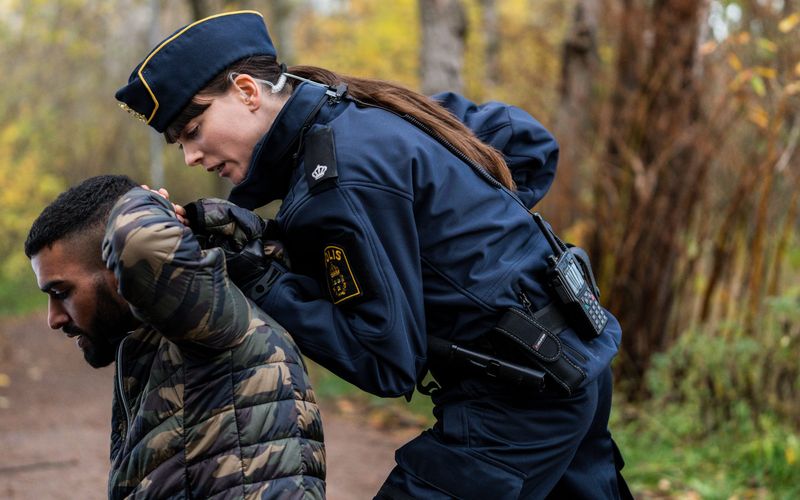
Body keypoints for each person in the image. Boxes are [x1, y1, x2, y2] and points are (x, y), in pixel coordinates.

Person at [115, 10, 631, 499]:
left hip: (520, 404)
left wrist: (259, 278)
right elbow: (527, 143)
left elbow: (384, 363)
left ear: (247, 92)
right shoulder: (367, 110)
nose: (192, 156)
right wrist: (471, 240)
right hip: (577, 353)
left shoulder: (337, 182)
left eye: (193, 130)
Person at [24, 175, 325, 499]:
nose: (53, 318)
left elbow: (137, 240)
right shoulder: (161, 340)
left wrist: (144, 203)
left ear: (119, 268)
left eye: (61, 292)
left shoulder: (210, 318)